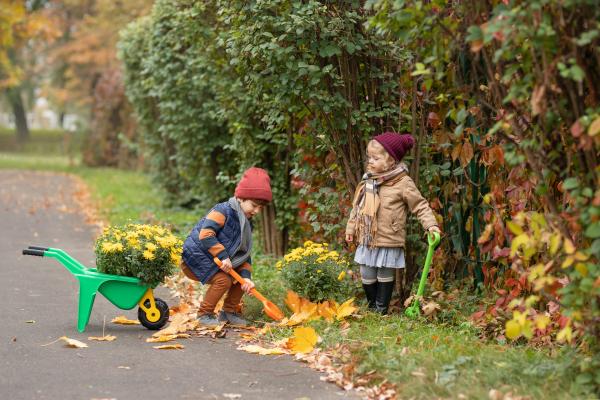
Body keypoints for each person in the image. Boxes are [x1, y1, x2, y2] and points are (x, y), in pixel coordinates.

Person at [345, 132, 441, 314]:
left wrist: (431, 225)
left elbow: (420, 205)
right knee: (366, 273)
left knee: (384, 275)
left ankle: (381, 310)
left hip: (389, 237)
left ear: (391, 161)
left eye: (376, 158)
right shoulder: (369, 181)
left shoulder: (403, 183)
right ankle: (372, 305)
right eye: (369, 157)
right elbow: (357, 207)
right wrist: (351, 228)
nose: (370, 161)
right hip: (367, 237)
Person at [180, 167, 272, 326]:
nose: (256, 211)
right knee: (224, 280)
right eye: (254, 205)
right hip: (195, 258)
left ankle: (228, 313)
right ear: (241, 198)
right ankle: (204, 314)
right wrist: (223, 256)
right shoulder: (223, 211)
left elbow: (244, 253)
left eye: (260, 208)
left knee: (239, 281)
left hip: (217, 261)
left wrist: (246, 277)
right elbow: (206, 234)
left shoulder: (246, 222)